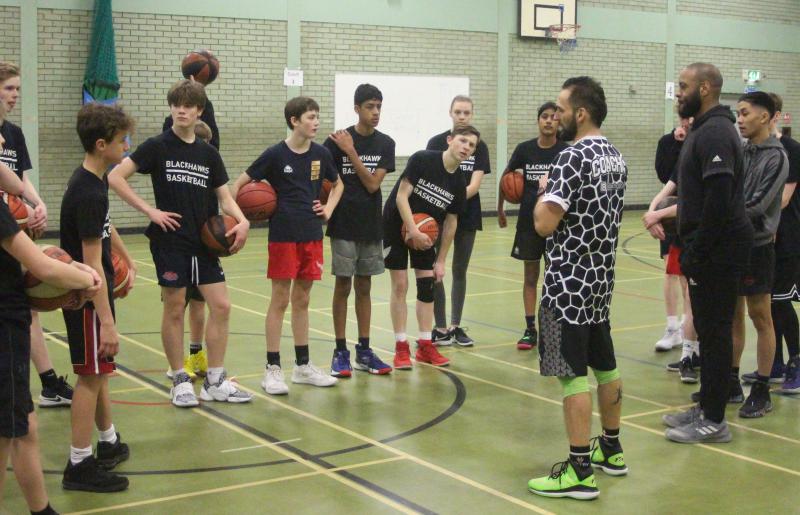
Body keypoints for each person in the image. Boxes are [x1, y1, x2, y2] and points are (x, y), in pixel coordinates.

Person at [109, 79, 252, 407]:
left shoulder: (208, 154)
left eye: (188, 106)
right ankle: (179, 378)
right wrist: (150, 210)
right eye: (176, 104)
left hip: (204, 243)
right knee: (174, 308)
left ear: (199, 111)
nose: (181, 110)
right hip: (170, 241)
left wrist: (242, 220)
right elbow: (115, 177)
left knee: (222, 306)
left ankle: (215, 379)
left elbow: (225, 198)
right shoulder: (157, 146)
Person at [527, 76, 627, 500]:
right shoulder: (614, 156)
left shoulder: (571, 157)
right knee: (606, 365)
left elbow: (543, 224)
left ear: (580, 113)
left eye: (562, 109)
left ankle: (579, 470)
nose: (557, 116)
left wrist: (542, 193)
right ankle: (612, 449)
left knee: (570, 377)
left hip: (566, 285)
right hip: (600, 281)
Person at [663, 63, 753, 444]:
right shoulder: (703, 128)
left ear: (705, 88)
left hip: (718, 249)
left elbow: (718, 197)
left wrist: (698, 249)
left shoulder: (716, 131)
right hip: (708, 248)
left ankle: (715, 420)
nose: (678, 93)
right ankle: (707, 405)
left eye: (683, 87)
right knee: (709, 329)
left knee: (715, 333)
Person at [231, 96, 343, 395]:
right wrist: (240, 218)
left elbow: (339, 183)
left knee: (303, 299)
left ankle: (303, 366)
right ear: (294, 121)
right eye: (310, 117)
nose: (316, 122)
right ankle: (272, 369)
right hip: (282, 234)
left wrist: (329, 209)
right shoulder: (274, 155)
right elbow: (237, 186)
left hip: (311, 233)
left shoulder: (321, 154)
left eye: (317, 117)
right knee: (280, 299)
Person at [0, 179, 101, 513]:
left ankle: (41, 510)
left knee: (24, 424)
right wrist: (89, 280)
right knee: (4, 432)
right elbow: (41, 266)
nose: (3, 141)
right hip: (4, 327)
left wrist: (71, 268)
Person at [60, 103, 137, 492]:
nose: (128, 145)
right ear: (102, 143)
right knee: (89, 378)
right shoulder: (87, 191)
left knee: (100, 372)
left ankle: (107, 443)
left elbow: (105, 232)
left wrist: (123, 255)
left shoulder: (95, 181)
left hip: (94, 297)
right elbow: (91, 269)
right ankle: (79, 464)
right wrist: (106, 320)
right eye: (123, 140)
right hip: (90, 301)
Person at [0, 61, 73, 407]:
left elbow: (20, 177)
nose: (15, 95)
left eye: (17, 89)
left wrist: (37, 203)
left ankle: (47, 382)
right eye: (9, 89)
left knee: (25, 306)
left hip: (15, 226)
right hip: (5, 224)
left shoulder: (13, 134)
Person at [384, 125, 476, 369]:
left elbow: (451, 221)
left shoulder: (458, 182)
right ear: (450, 140)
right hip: (396, 223)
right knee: (401, 285)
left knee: (427, 287)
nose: (466, 147)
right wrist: (412, 230)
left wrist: (441, 260)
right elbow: (401, 196)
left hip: (425, 232)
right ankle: (401, 347)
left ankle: (426, 345)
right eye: (463, 141)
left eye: (472, 145)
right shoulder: (422, 159)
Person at [323, 84, 395, 377]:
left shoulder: (385, 144)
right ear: (357, 109)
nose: (375, 112)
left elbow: (372, 184)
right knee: (343, 286)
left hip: (370, 224)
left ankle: (363, 350)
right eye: (369, 106)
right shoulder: (334, 142)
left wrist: (351, 152)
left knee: (364, 287)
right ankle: (340, 350)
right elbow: (325, 183)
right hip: (342, 223)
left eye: (378, 106)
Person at [729, 91, 787, 418]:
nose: (740, 119)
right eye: (738, 113)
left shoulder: (776, 157)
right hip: (734, 245)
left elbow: (757, 206)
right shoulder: (741, 150)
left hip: (758, 247)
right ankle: (731, 382)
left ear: (765, 117)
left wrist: (718, 213)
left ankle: (762, 389)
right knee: (733, 314)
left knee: (760, 316)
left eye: (745, 113)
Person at [498, 102, 568, 350]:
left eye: (554, 117)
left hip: (558, 225)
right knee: (530, 276)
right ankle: (530, 330)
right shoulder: (525, 149)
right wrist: (500, 208)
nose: (549, 121)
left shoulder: (566, 151)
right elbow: (505, 177)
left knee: (555, 279)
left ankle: (553, 330)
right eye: (544, 117)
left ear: (560, 122)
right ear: (538, 121)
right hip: (529, 222)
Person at [426, 96, 490, 346]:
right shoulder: (435, 142)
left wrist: (452, 199)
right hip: (437, 213)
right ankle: (440, 327)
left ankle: (455, 325)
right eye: (458, 112)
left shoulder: (479, 146)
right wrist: (442, 202)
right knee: (435, 269)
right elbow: (431, 177)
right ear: (450, 113)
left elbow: (474, 184)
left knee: (459, 269)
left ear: (472, 114)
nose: (462, 116)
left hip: (467, 212)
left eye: (466, 113)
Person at [165, 120, 215, 381]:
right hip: (178, 245)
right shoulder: (178, 169)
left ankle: (195, 353)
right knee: (177, 304)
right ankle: (173, 362)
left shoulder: (209, 168)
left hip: (203, 244)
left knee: (199, 302)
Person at [761, 93, 800, 393]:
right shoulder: (756, 150)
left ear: (774, 116)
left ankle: (797, 363)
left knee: (782, 303)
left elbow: (783, 199)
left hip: (788, 238)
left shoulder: (791, 150)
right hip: (765, 238)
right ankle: (773, 362)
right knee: (767, 304)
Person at [653, 116, 692, 352]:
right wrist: (676, 144)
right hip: (670, 217)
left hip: (691, 215)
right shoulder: (667, 142)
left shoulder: (702, 141)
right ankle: (672, 327)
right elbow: (666, 174)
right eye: (683, 117)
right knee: (670, 270)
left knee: (689, 278)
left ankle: (689, 328)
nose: (686, 121)